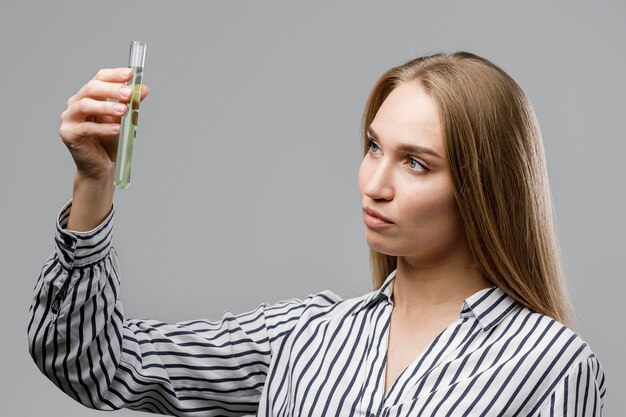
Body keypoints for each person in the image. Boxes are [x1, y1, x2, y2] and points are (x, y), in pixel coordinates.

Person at [28, 51, 607, 416]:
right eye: (374, 147)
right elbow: (95, 363)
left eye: (416, 163)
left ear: (484, 188)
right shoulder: (303, 335)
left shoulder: (551, 366)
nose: (373, 183)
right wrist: (93, 183)